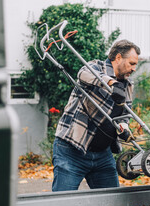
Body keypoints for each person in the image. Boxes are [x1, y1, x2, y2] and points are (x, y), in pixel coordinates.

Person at [52, 40, 141, 191]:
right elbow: (82, 74)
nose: (134, 68)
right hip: (72, 150)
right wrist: (112, 84)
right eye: (131, 63)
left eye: (135, 65)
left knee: (112, 201)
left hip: (102, 155)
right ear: (118, 57)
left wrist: (123, 128)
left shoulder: (128, 85)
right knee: (62, 202)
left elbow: (125, 114)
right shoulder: (95, 67)